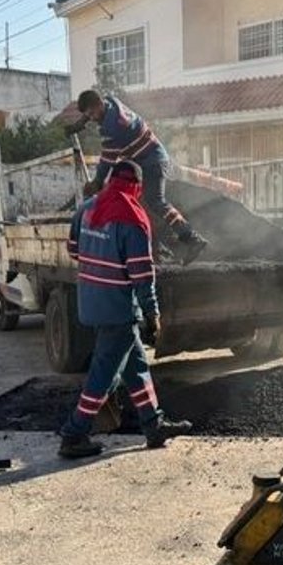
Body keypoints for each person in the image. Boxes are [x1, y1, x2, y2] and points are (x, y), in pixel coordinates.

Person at [57, 159, 192, 459]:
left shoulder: (87, 208)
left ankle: (153, 425)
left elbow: (73, 250)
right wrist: (153, 314)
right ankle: (73, 434)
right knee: (103, 375)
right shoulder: (133, 218)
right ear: (137, 186)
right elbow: (142, 275)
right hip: (118, 309)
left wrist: (100, 260)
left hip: (91, 302)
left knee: (137, 367)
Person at [68, 89, 210, 264]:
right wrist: (80, 123)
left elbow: (107, 159)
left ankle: (192, 239)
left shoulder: (113, 126)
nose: (92, 118)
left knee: (155, 201)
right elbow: (97, 108)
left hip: (153, 161)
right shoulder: (111, 102)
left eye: (91, 114)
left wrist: (97, 182)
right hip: (149, 159)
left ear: (98, 105)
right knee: (139, 202)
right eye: (88, 115)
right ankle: (156, 246)